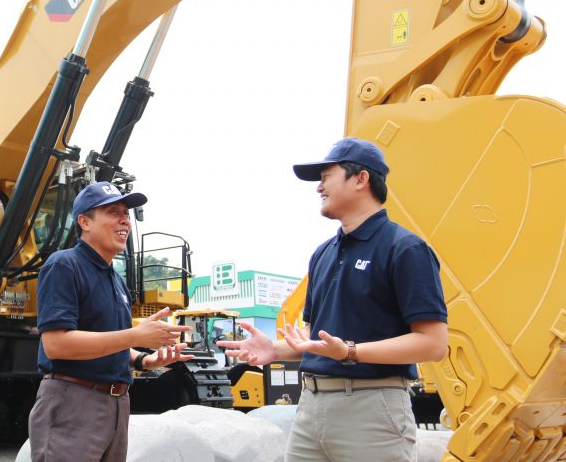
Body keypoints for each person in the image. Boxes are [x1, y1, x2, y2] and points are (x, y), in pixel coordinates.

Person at [219, 138, 448, 461]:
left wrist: (350, 352)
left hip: (373, 409)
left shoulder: (406, 249)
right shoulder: (322, 254)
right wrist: (277, 350)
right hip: (311, 407)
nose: (318, 187)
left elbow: (433, 344)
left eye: (326, 176)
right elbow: (318, 342)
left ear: (361, 179)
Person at [29, 182, 194, 462]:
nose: (124, 220)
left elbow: (106, 339)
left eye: (127, 214)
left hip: (116, 404)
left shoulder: (115, 279)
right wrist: (135, 335)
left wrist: (142, 360)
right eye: (113, 212)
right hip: (73, 401)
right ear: (84, 221)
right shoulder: (64, 265)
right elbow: (56, 345)